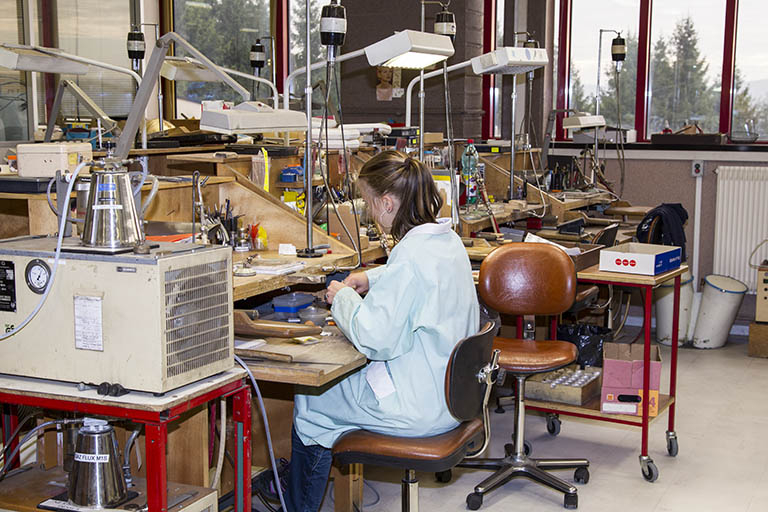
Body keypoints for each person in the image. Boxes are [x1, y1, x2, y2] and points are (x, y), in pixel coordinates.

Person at [284, 150, 480, 511]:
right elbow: (416, 279)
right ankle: (292, 483)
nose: (370, 214)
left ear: (388, 203)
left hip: (419, 408)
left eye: (370, 204)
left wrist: (342, 297)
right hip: (453, 395)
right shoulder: (444, 240)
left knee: (311, 399)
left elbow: (375, 339)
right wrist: (369, 277)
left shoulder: (410, 256)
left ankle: (296, 505)